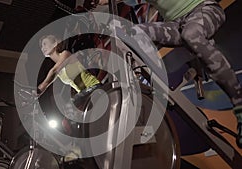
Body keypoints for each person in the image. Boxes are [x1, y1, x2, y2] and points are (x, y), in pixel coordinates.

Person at [95, 0, 242, 148]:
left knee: (191, 34)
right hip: (176, 26)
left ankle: (239, 104)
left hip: (205, 9)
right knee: (130, 33)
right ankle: (139, 105)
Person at [38, 35, 101, 107]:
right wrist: (37, 94)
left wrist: (40, 87)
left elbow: (54, 71)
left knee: (71, 105)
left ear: (55, 43)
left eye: (44, 44)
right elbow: (48, 82)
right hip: (85, 94)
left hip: (93, 86)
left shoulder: (66, 54)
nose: (43, 48)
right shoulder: (58, 72)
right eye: (41, 47)